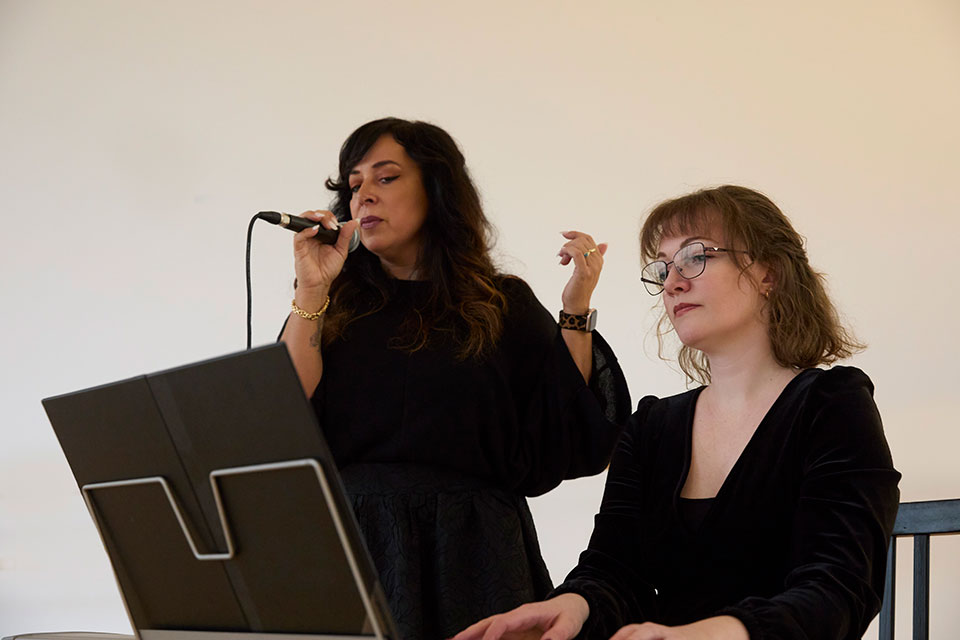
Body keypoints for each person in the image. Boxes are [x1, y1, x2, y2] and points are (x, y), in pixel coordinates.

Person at [454, 185, 901, 640]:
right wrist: (571, 606)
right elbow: (612, 571)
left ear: (768, 273)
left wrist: (712, 634)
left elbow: (838, 588)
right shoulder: (652, 427)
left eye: (695, 257)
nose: (672, 284)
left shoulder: (831, 404)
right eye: (664, 268)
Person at [278, 117, 631, 640]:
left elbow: (566, 421)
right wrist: (311, 292)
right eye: (354, 185)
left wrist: (575, 308)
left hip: (474, 550)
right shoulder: (334, 302)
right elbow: (282, 417)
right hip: (354, 543)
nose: (364, 195)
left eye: (386, 177)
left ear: (437, 188)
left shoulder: (500, 303)